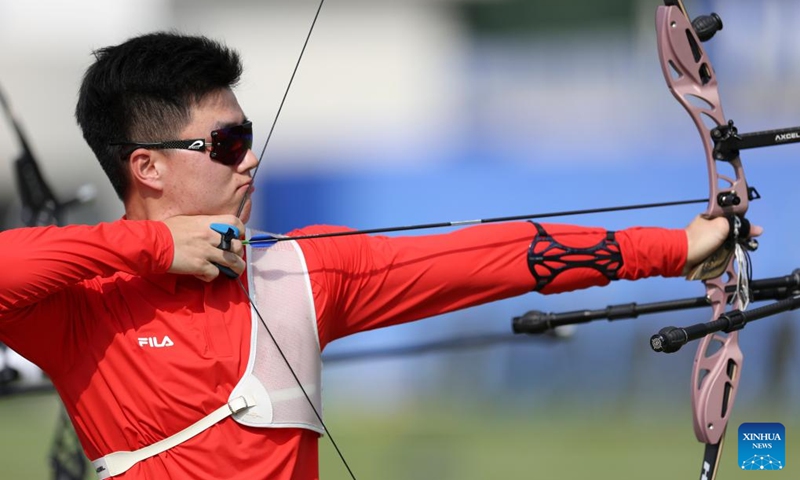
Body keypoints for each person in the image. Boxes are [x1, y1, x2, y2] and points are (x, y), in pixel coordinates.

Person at [0, 32, 757, 480]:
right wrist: (157, 245)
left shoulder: (299, 270)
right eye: (226, 144)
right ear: (148, 167)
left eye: (248, 134)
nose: (251, 159)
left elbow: (491, 256)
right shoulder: (80, 305)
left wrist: (679, 248)